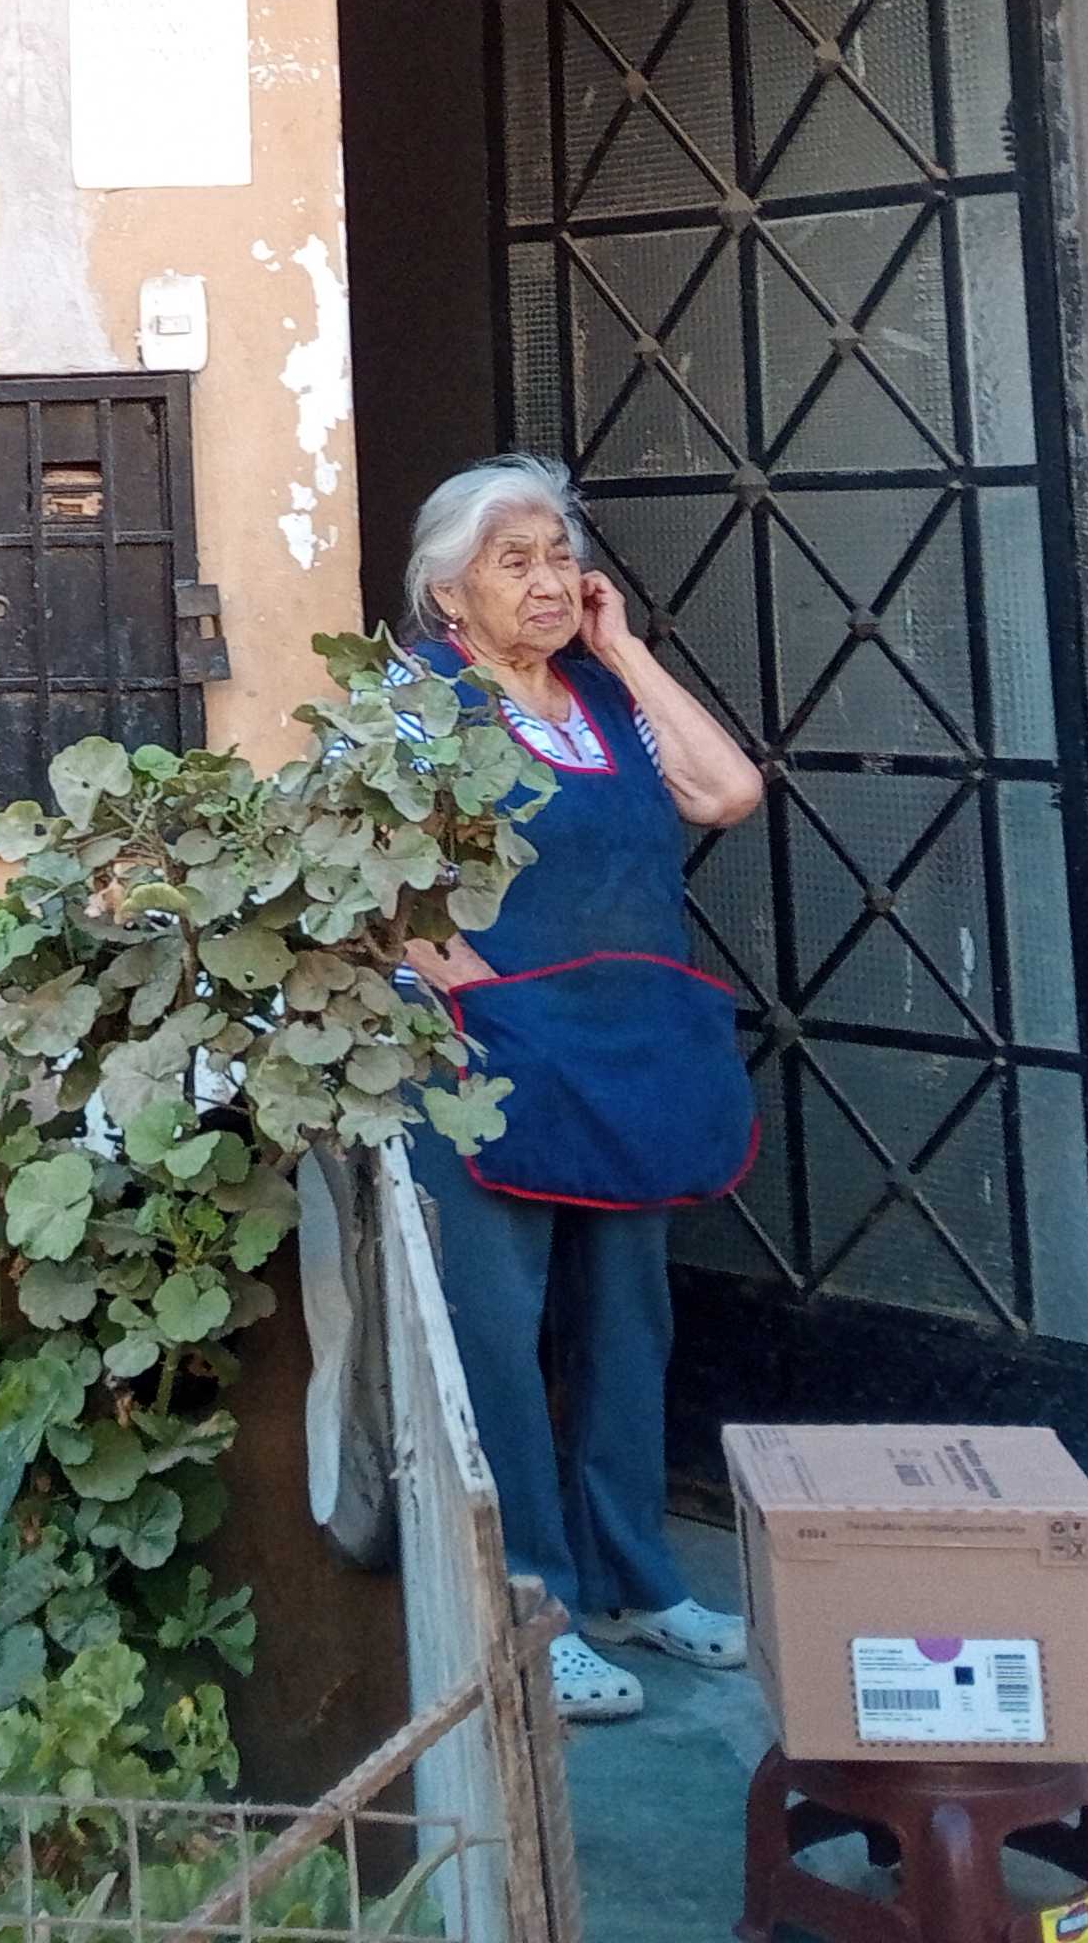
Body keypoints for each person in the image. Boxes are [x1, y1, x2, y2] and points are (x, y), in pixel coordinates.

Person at [394, 454, 768, 1726]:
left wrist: (626, 647)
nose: (549, 579)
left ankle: (630, 1579)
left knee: (627, 1316)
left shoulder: (604, 698)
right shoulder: (413, 706)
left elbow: (727, 792)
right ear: (451, 591)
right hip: (489, 1059)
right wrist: (489, 1011)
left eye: (561, 555)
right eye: (515, 561)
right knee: (499, 1335)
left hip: (626, 1056)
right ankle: (530, 1605)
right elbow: (382, 890)